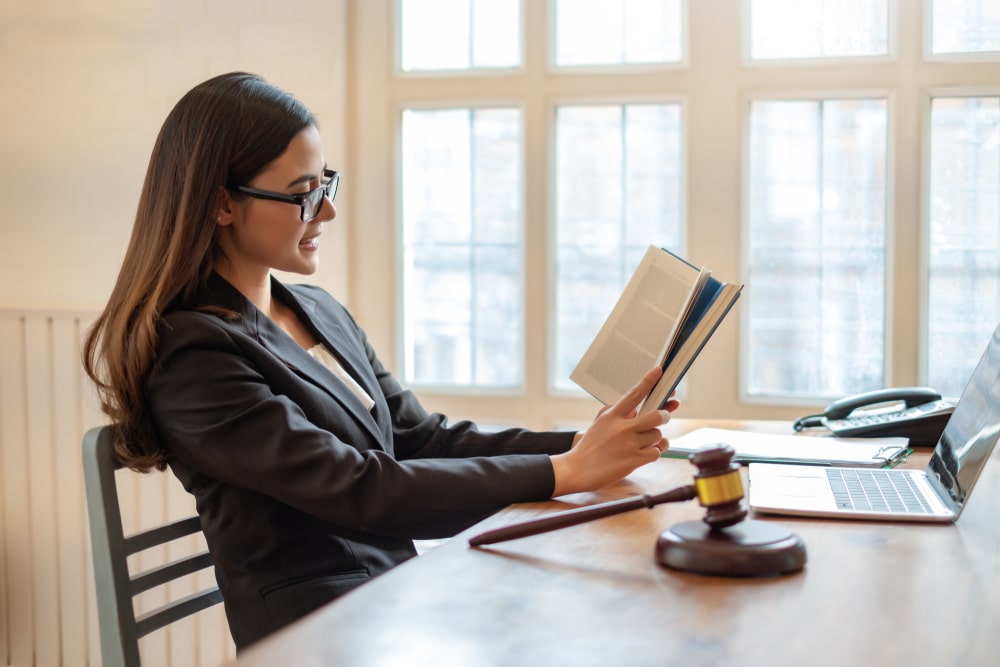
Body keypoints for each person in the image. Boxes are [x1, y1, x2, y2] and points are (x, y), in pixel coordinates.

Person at [82, 71, 680, 650]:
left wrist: (584, 445)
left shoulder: (317, 309)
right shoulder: (191, 354)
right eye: (302, 195)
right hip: (319, 636)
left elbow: (421, 439)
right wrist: (567, 473)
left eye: (325, 184)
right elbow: (360, 488)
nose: (328, 211)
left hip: (394, 602)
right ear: (221, 206)